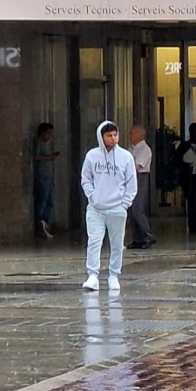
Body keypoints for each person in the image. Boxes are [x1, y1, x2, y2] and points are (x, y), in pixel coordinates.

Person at [80, 121, 137, 293]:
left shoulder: (126, 157)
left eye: (115, 135)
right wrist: (92, 196)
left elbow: (131, 183)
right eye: (109, 135)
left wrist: (124, 204)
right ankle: (92, 275)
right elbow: (86, 178)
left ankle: (114, 275)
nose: (113, 138)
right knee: (94, 241)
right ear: (101, 137)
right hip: (95, 208)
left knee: (117, 243)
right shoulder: (92, 156)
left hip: (117, 208)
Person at [126, 125, 157, 250]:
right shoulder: (130, 149)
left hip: (140, 178)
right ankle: (138, 239)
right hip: (130, 179)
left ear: (140, 135)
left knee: (137, 209)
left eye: (133, 133)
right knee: (131, 210)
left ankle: (148, 235)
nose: (130, 135)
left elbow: (137, 167)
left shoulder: (145, 149)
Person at [33, 123, 60, 240]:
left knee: (50, 201)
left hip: (48, 176)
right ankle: (39, 224)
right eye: (48, 133)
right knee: (42, 201)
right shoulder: (38, 143)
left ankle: (45, 222)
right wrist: (49, 158)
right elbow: (35, 157)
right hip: (41, 176)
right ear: (42, 133)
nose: (50, 136)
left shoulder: (46, 144)